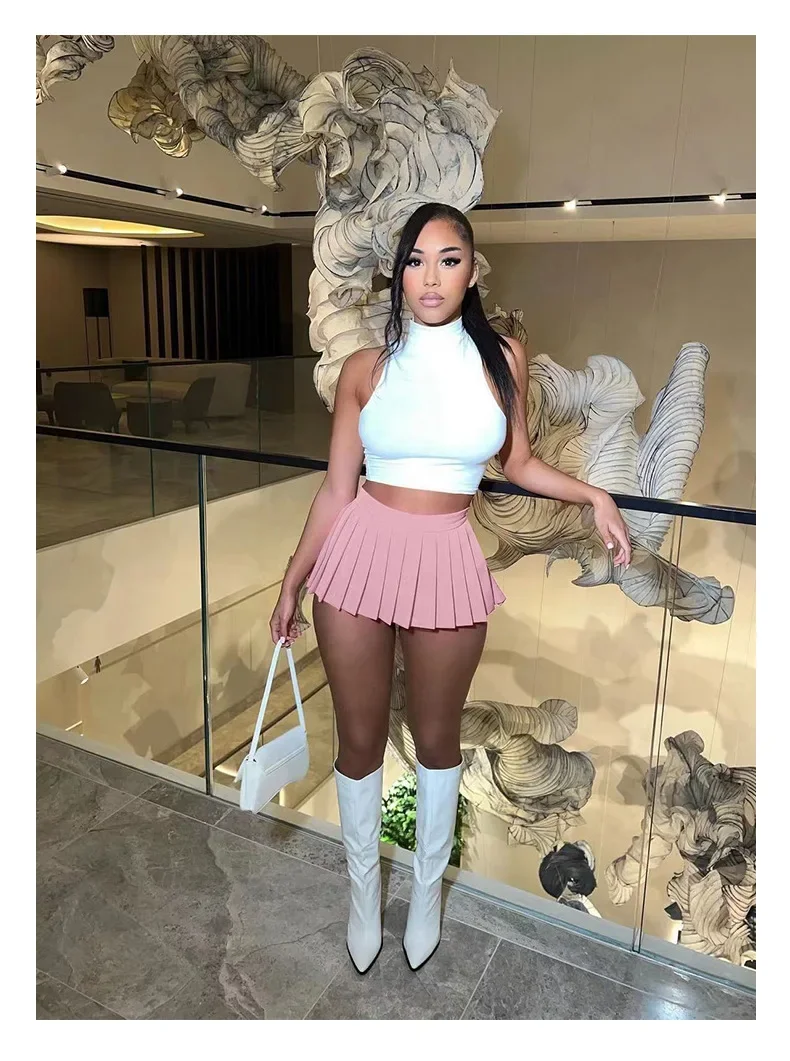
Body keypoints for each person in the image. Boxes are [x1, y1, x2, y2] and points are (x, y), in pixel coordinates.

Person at [270, 202, 631, 974]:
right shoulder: (366, 368)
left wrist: (594, 494)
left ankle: (427, 893)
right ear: (398, 274)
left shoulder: (503, 357)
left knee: (437, 741)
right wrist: (291, 581)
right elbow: (336, 490)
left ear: (472, 272)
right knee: (359, 740)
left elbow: (518, 462)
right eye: (416, 260)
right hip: (358, 556)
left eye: (448, 260)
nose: (430, 277)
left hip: (446, 560)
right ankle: (363, 894)